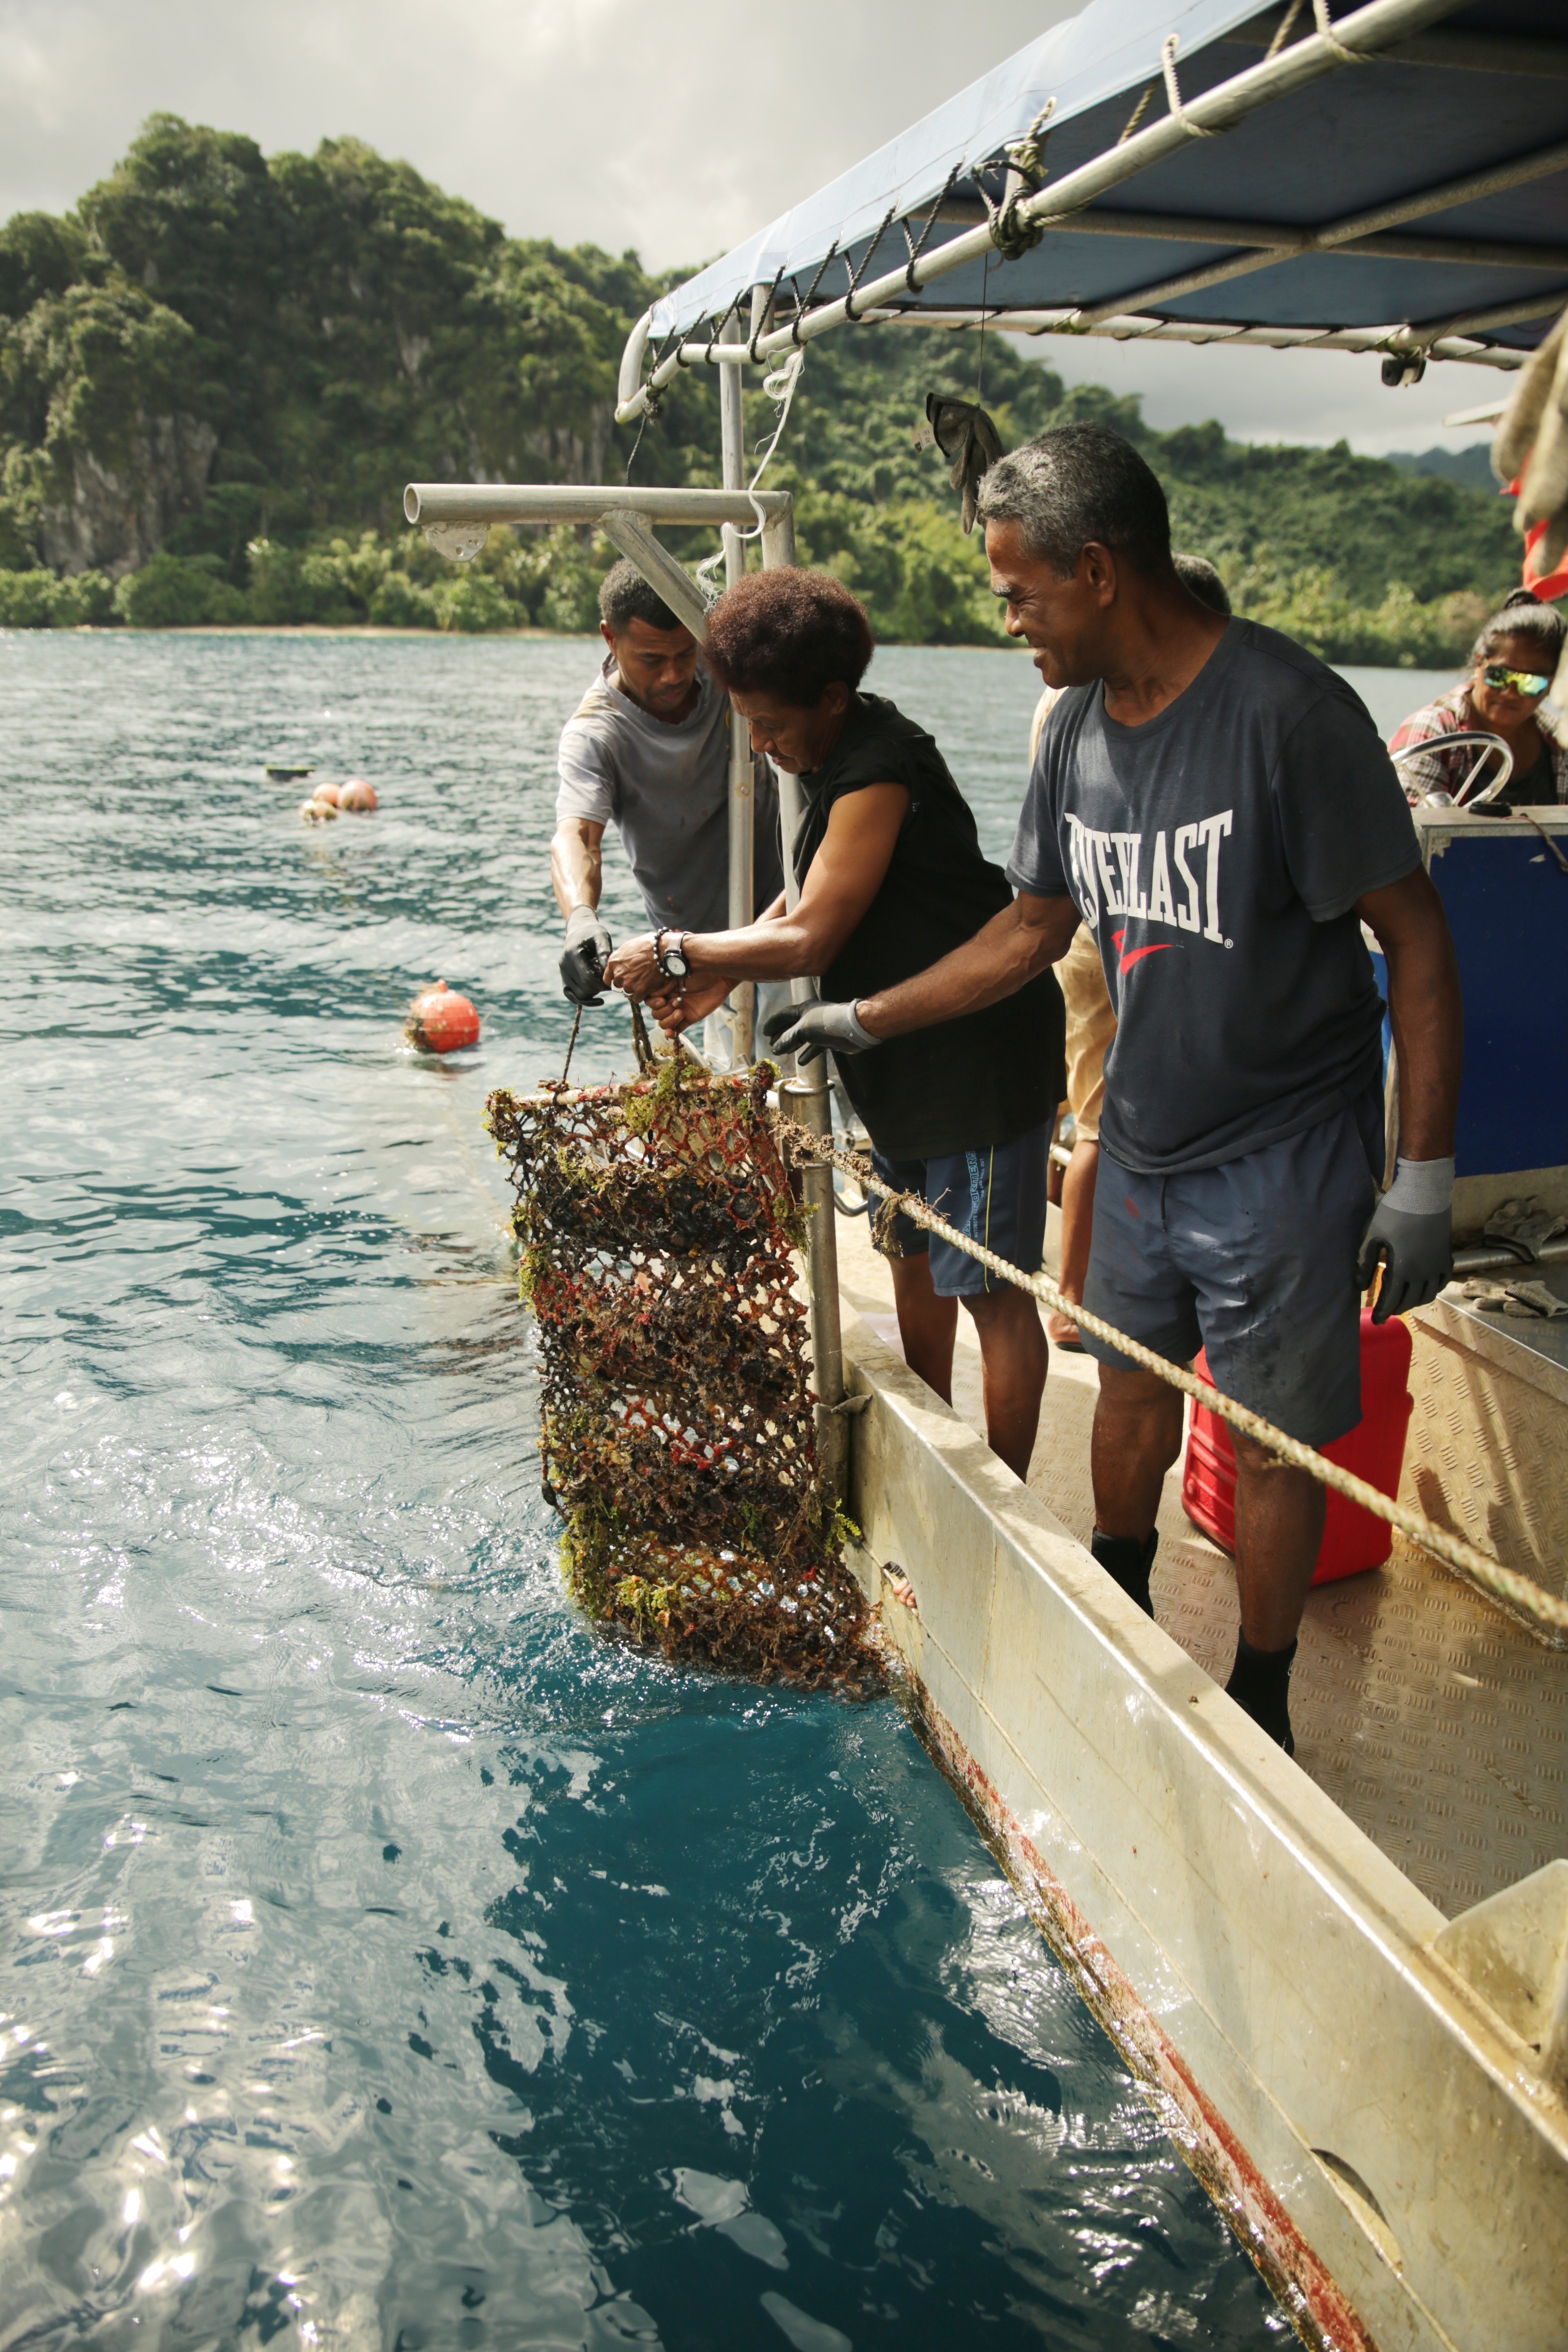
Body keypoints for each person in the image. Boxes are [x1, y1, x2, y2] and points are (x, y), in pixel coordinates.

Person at [772, 423, 1463, 1755]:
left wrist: (1422, 1178)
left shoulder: (1289, 715)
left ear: (1098, 572)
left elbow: (1417, 936)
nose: (1010, 617)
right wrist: (862, 1014)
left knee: (1266, 1440)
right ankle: (1118, 1579)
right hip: (1139, 1144)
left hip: (1285, 1152)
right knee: (1130, 1389)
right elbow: (1030, 931)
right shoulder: (1075, 729)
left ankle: (1263, 1692)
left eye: (1018, 591)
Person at [603, 568, 1066, 1481]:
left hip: (975, 1061)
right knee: (912, 1258)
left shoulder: (880, 766)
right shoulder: (830, 752)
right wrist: (715, 977)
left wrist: (677, 949)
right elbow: (807, 895)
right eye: (750, 727)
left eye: (773, 726)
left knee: (990, 1295)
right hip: (892, 1052)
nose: (764, 745)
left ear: (832, 698)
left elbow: (813, 932)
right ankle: (938, 1456)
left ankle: (1006, 1495)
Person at [1042, 553, 1232, 1351]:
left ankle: (1086, 1291)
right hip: (1105, 936)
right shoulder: (1107, 708)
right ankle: (1075, 1298)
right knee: (1097, 1127)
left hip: (1096, 934)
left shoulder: (1077, 697)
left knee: (1103, 1119)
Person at [551, 559, 784, 1044]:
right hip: (696, 955)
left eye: (685, 653)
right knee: (741, 1089)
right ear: (610, 640)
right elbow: (578, 837)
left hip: (786, 912)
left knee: (804, 1066)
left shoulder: (727, 672)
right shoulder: (596, 734)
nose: (675, 674)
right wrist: (580, 918)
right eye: (653, 660)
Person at [1389, 589, 1567, 806]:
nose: (1510, 692)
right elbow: (1404, 830)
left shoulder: (1560, 746)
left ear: (1551, 686)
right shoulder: (1432, 735)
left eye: (1530, 683)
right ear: (1479, 664)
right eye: (1499, 675)